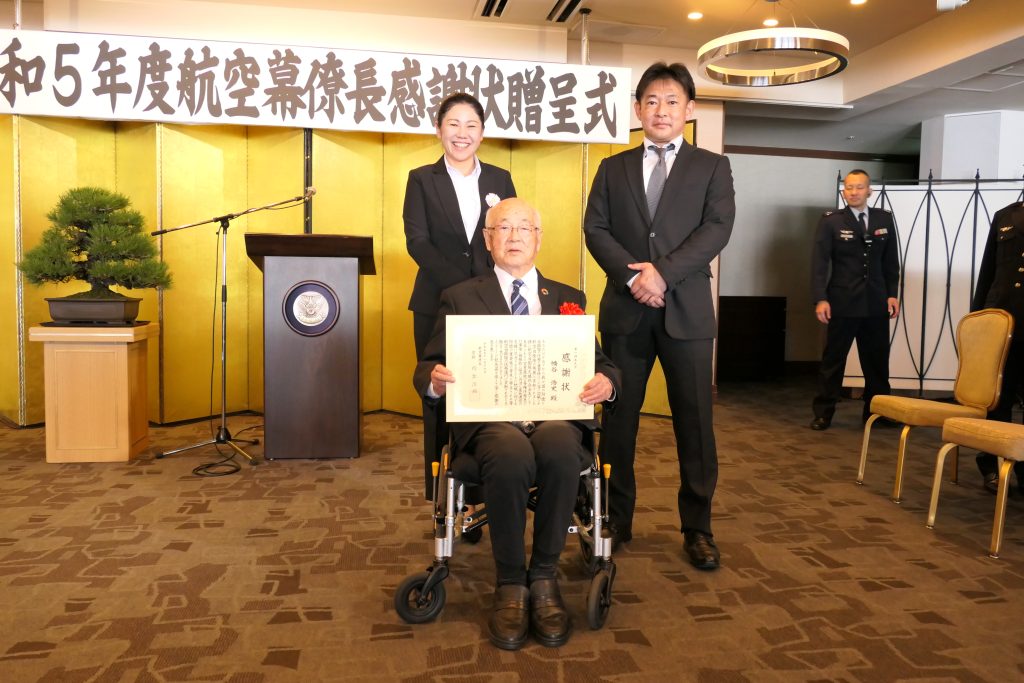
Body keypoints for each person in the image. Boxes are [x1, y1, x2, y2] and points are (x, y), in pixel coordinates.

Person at [414, 198, 620, 651]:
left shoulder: (567, 297)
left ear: (538, 238)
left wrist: (607, 383)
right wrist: (434, 380)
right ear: (488, 240)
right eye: (502, 228)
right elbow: (427, 365)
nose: (514, 236)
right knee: (509, 452)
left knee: (561, 447)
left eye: (524, 227)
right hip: (489, 420)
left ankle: (543, 576)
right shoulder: (460, 296)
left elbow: (600, 362)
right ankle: (510, 581)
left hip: (553, 416)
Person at [583, 62, 735, 571]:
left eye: (672, 101)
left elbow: (717, 228)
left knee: (695, 424)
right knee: (618, 422)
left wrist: (662, 274)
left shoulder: (712, 167)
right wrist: (634, 279)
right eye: (651, 101)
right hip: (626, 312)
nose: (661, 110)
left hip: (686, 312)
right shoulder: (613, 168)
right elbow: (596, 229)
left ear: (689, 109)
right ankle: (615, 518)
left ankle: (698, 528)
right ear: (638, 109)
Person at [404, 92, 516, 499]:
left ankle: (483, 489)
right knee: (439, 395)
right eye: (453, 124)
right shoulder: (422, 178)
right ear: (439, 129)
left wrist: (484, 288)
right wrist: (461, 288)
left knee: (488, 395)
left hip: (491, 305)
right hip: (435, 303)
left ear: (482, 133)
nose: (462, 133)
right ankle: (441, 495)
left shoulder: (500, 179)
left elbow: (509, 235)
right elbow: (417, 242)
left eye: (471, 125)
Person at [809, 169, 900, 430]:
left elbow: (890, 261)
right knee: (833, 360)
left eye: (859, 187)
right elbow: (819, 263)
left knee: (877, 362)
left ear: (869, 191)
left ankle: (877, 413)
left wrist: (892, 294)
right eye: (849, 187)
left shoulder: (884, 218)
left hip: (876, 302)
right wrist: (820, 298)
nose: (854, 192)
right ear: (843, 191)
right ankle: (823, 413)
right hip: (842, 301)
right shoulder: (831, 221)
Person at [971, 200, 1024, 493]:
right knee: (998, 398)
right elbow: (988, 270)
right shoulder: (1005, 215)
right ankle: (991, 463)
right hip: (1003, 319)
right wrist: (978, 318)